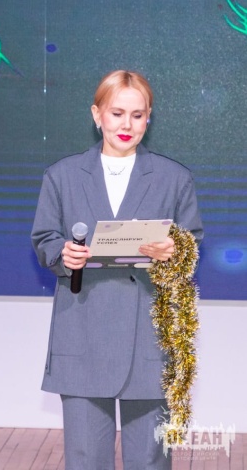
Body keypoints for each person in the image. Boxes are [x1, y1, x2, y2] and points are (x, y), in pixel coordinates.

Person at [31, 70, 203, 469]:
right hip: (82, 334)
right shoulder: (61, 175)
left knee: (150, 461)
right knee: (86, 459)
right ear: (97, 115)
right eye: (117, 113)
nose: (127, 124)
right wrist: (62, 254)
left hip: (151, 338)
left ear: (149, 118)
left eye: (137, 115)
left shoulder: (174, 178)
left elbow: (192, 242)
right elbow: (44, 239)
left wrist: (175, 249)